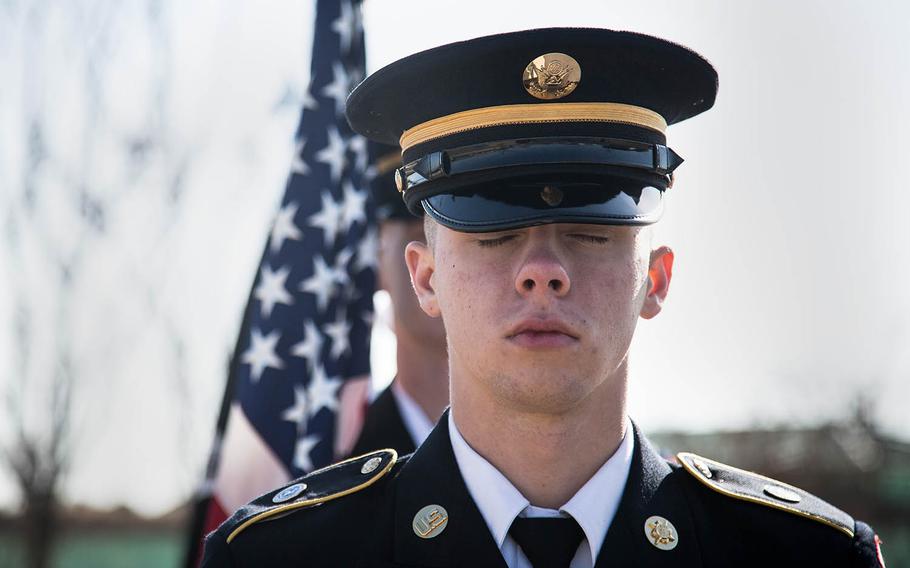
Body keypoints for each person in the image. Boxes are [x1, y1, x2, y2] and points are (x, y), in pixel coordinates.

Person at [201, 28, 887, 567]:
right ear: (425, 278)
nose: (542, 271)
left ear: (657, 279)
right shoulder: (281, 556)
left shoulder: (805, 556)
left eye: (591, 232)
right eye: (492, 232)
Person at [349, 143, 449, 457]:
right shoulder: (331, 463)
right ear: (377, 258)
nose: (443, 260)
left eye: (476, 234)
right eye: (423, 231)